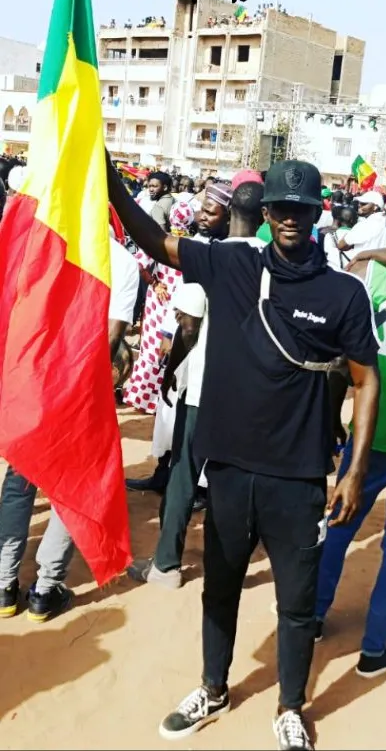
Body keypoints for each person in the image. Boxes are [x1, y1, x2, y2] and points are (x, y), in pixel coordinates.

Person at [107, 154, 380, 750]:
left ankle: (288, 706)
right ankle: (213, 687)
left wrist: (354, 471)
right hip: (228, 469)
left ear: (315, 215)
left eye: (301, 210)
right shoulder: (232, 263)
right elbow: (155, 241)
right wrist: (107, 179)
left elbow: (365, 381)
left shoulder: (343, 294)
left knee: (297, 605)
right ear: (265, 211)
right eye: (281, 207)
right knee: (220, 587)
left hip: (300, 477)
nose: (289, 218)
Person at [128, 178, 266, 589]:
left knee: (184, 475)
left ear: (229, 215)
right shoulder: (277, 260)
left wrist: (171, 374)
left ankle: (167, 564)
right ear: (263, 217)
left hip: (204, 387)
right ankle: (229, 568)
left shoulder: (207, 258)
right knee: (236, 484)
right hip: (251, 392)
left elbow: (188, 327)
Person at [0, 228, 138, 623]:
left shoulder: (42, 240)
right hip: (80, 388)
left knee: (19, 481)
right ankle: (45, 590)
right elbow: (113, 337)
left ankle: (4, 584)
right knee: (71, 487)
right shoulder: (122, 261)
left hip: (32, 380)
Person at [315, 199, 386, 676]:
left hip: (369, 434)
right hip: (382, 436)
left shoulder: (366, 276)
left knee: (340, 526)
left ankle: (310, 616)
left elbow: (335, 360)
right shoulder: (367, 272)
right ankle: (374, 649)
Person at [125, 186, 232, 492]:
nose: (202, 216)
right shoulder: (193, 245)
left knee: (198, 419)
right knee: (169, 412)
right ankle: (162, 475)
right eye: (202, 209)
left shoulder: (229, 253)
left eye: (211, 212)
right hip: (180, 338)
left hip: (207, 346)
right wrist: (168, 335)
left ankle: (196, 488)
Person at [123, 201, 193, 414]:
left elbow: (139, 264)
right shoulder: (192, 245)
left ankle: (142, 397)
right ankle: (158, 401)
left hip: (160, 299)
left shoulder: (163, 240)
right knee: (169, 352)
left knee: (151, 350)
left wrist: (154, 283)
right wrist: (156, 283)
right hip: (178, 302)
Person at [338, 190, 386, 257]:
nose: (359, 205)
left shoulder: (366, 224)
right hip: (380, 266)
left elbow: (341, 245)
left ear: (375, 207)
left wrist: (347, 237)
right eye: (359, 203)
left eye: (363, 203)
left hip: (363, 265)